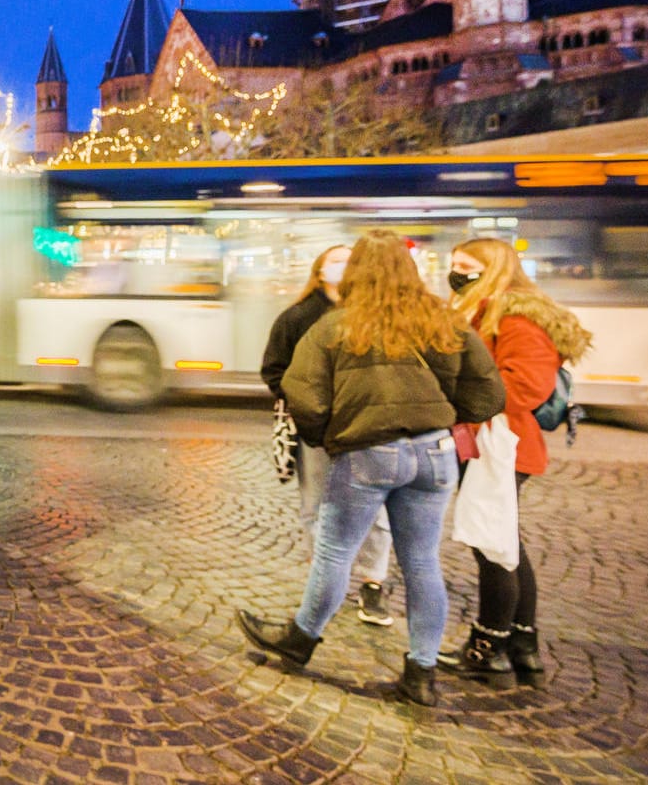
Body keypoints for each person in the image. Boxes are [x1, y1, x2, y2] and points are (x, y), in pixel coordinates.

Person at [237, 230, 505, 707]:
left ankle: (300, 641)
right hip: (435, 453)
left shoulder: (336, 326)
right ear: (410, 271)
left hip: (367, 452)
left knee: (336, 552)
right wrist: (442, 415)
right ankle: (420, 673)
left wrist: (326, 438)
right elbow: (487, 394)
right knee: (422, 561)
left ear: (357, 272)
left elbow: (302, 394)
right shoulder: (445, 321)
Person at [439, 237, 591, 683]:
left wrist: (462, 398)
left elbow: (523, 387)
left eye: (466, 265)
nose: (456, 272)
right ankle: (522, 646)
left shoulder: (518, 315)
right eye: (454, 264)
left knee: (493, 547)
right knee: (505, 544)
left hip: (501, 443)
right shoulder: (487, 309)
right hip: (488, 440)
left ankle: (487, 649)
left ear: (493, 269)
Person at [261, 244, 395, 627]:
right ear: (319, 271)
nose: (344, 267)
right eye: (336, 260)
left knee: (376, 510)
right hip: (315, 432)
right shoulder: (297, 317)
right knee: (316, 507)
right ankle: (324, 583)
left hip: (366, 429)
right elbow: (274, 372)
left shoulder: (377, 316)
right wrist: (311, 409)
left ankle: (373, 582)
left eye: (351, 260)